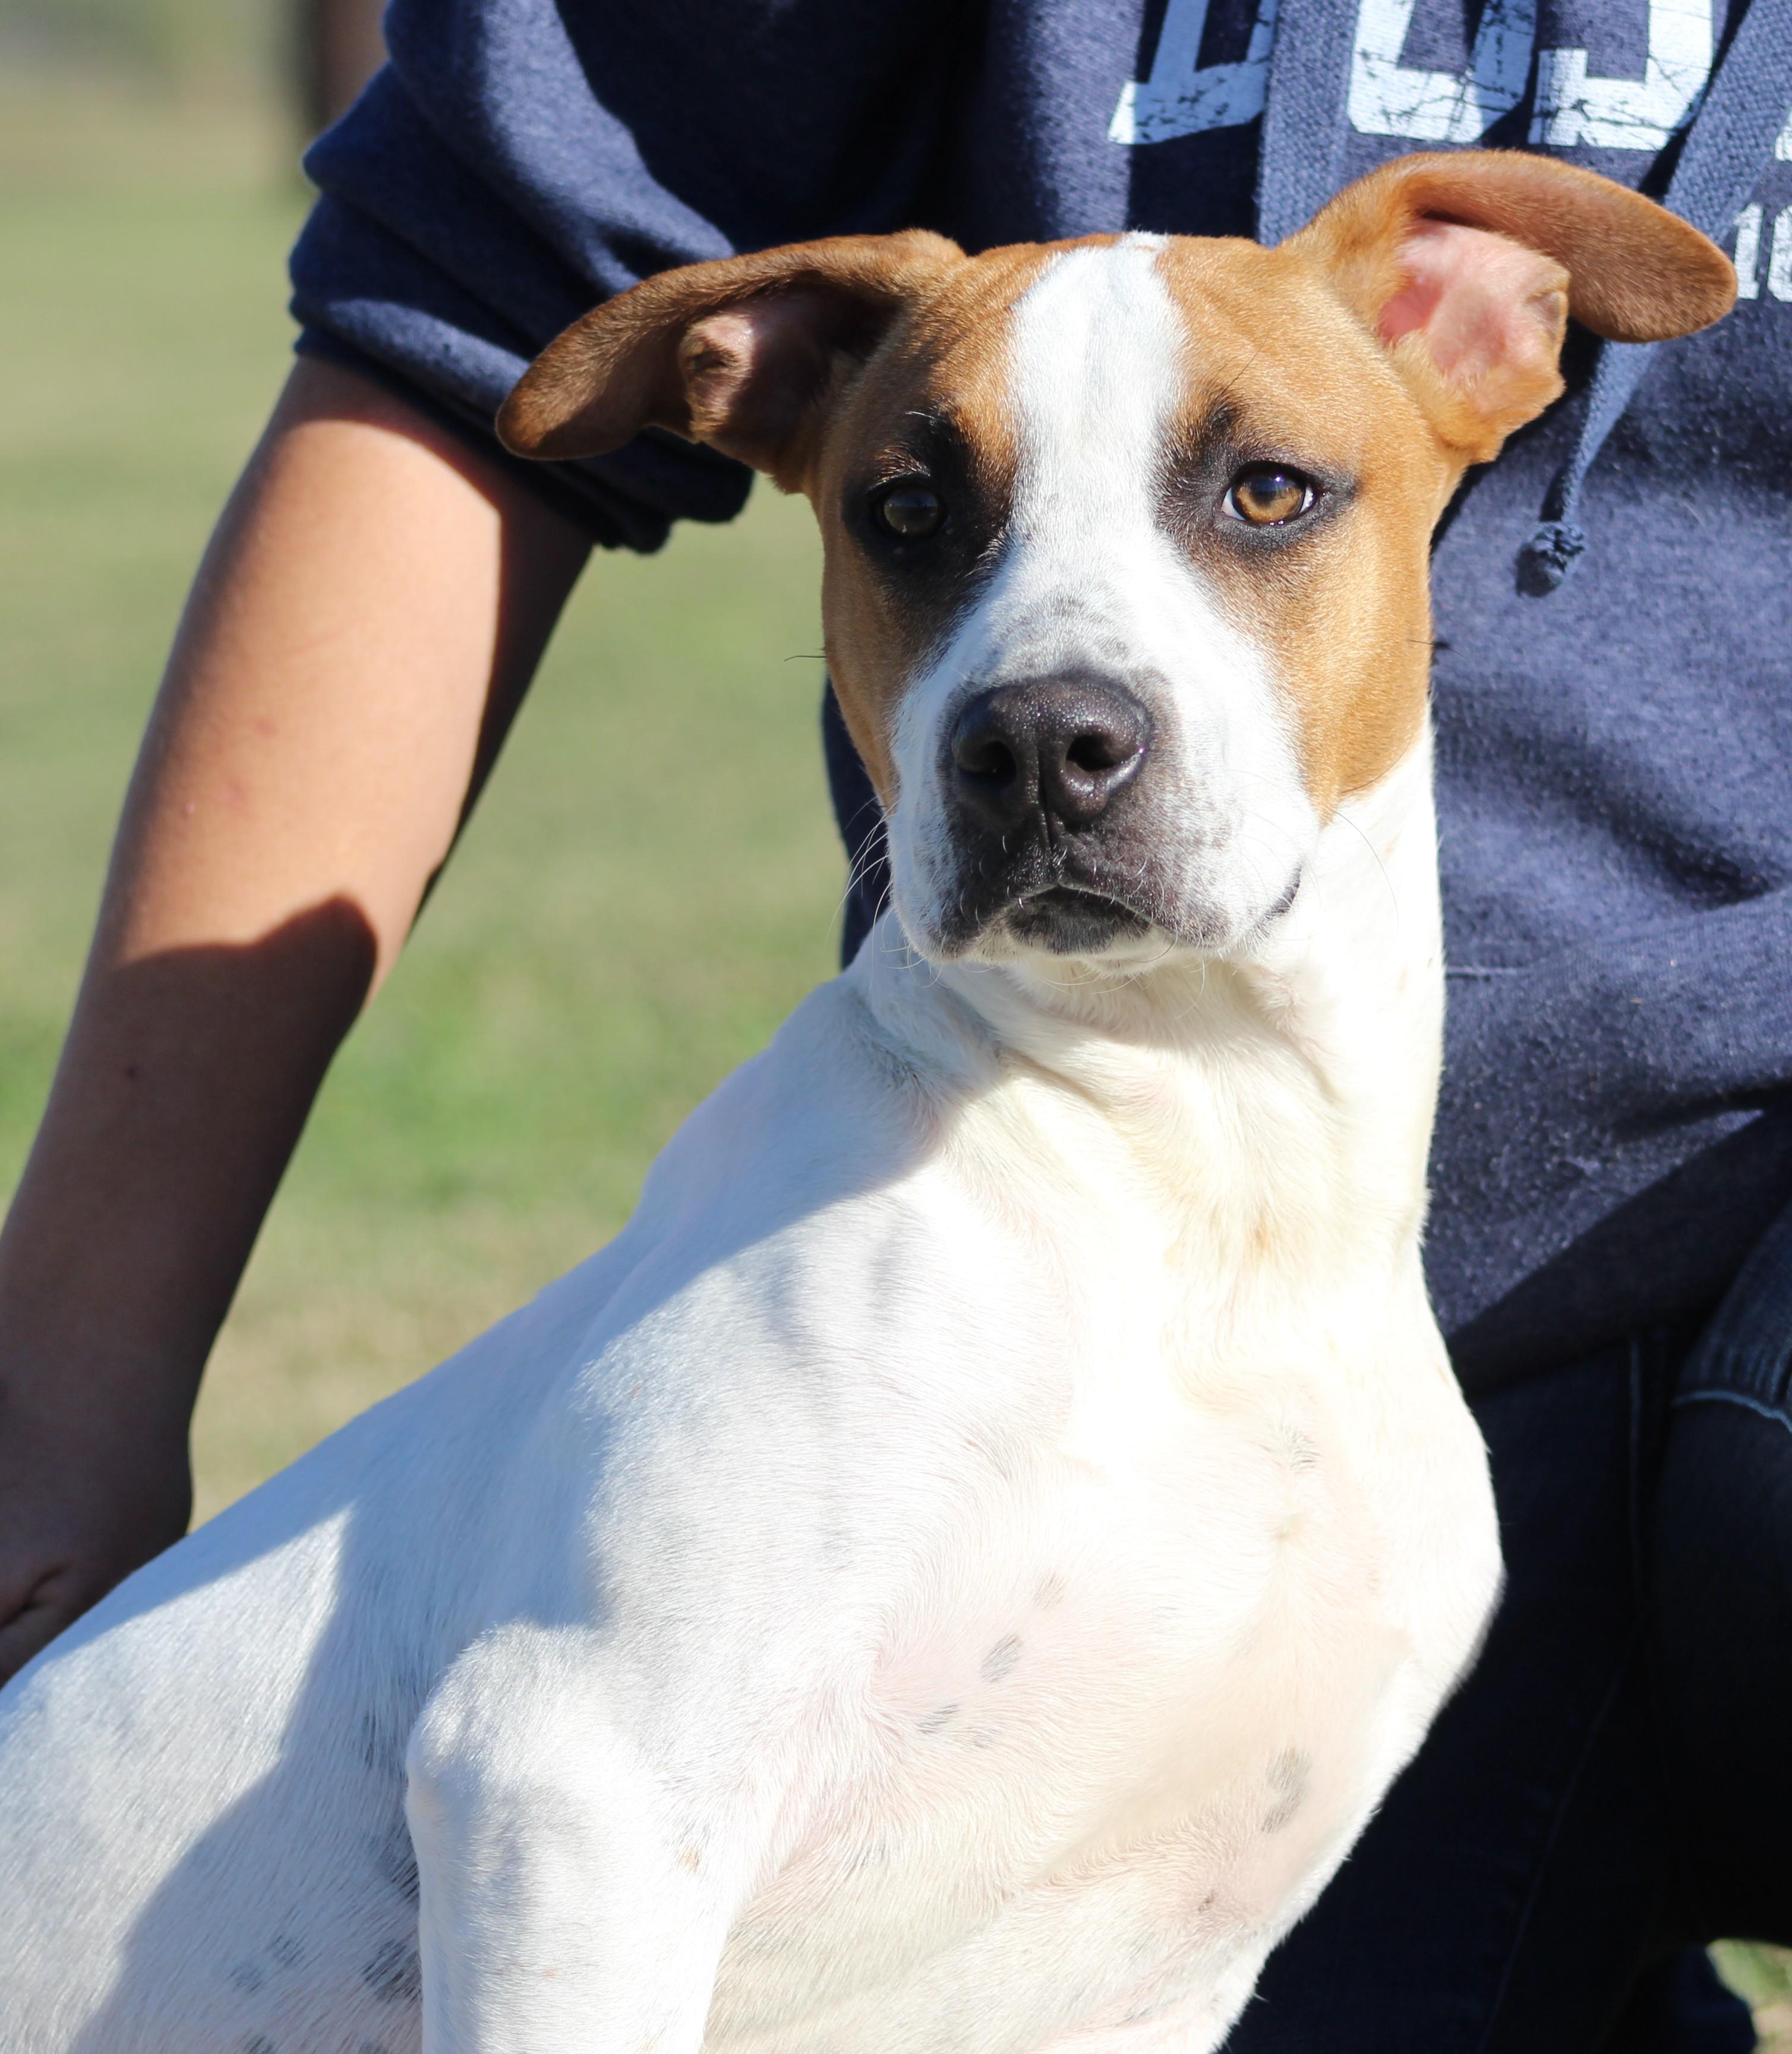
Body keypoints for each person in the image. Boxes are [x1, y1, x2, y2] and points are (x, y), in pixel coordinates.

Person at [1, 1, 1788, 2045]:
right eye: (926, 528)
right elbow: (554, 1798)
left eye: (1265, 500)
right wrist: (62, 1381)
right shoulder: (843, 1299)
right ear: (782, 432)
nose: (1055, 695)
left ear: (1486, 337)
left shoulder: (1381, 1466)